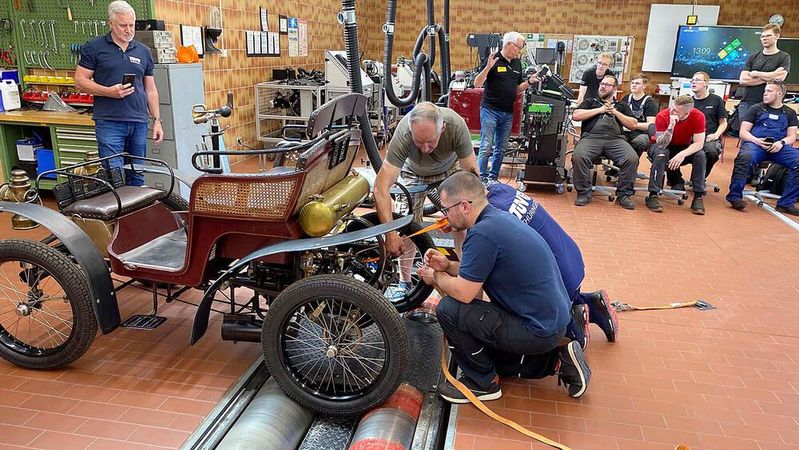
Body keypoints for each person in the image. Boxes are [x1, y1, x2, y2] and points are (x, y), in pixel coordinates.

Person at [420, 172, 591, 403]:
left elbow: (465, 292)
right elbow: (477, 269)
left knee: (449, 309)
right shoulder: (496, 219)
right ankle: (560, 360)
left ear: (464, 206)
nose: (445, 217)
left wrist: (435, 276)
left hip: (538, 329)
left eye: (447, 210)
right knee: (485, 353)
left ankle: (482, 384)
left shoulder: (481, 235)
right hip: (551, 321)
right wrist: (448, 265)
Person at [486, 182, 619, 347]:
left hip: (560, 281)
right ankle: (591, 303)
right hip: (572, 262)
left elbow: (476, 273)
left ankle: (571, 323)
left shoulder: (493, 217)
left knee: (493, 278)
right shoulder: (501, 190)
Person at [374, 102, 478, 293]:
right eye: (419, 142)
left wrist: (462, 215)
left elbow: (473, 179)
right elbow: (381, 187)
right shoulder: (404, 133)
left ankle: (465, 275)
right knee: (407, 227)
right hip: (413, 171)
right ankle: (405, 284)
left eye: (431, 141)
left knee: (462, 221)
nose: (424, 148)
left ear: (443, 128)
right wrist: (390, 234)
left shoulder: (455, 125)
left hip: (449, 171)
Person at [74, 0, 163, 186]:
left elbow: (151, 88)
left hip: (138, 121)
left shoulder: (143, 51)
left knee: (137, 175)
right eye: (123, 25)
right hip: (109, 122)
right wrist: (108, 92)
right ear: (110, 24)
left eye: (132, 25)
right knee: (113, 177)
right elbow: (80, 81)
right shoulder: (94, 47)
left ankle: (135, 215)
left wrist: (157, 121)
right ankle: (118, 214)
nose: (128, 30)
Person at [473, 31, 539, 184]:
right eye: (518, 47)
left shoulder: (517, 63)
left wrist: (529, 82)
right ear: (509, 44)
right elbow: (477, 84)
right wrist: (488, 68)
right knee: (486, 146)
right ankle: (480, 179)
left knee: (501, 147)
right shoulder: (493, 59)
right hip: (490, 110)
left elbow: (516, 89)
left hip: (507, 112)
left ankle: (493, 178)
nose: (519, 51)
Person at [727, 81, 799, 216]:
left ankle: (786, 203)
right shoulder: (756, 108)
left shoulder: (790, 113)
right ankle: (735, 197)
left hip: (778, 148)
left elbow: (792, 137)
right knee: (745, 157)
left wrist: (781, 143)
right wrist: (757, 141)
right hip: (755, 144)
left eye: (769, 91)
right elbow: (743, 132)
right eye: (765, 91)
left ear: (780, 93)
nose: (764, 93)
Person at [571, 74, 640, 210]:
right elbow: (576, 115)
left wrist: (615, 112)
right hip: (591, 138)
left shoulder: (622, 105)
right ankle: (584, 193)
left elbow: (633, 124)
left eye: (607, 85)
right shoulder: (591, 102)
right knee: (579, 156)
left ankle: (623, 196)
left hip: (615, 140)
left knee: (632, 158)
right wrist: (601, 110)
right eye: (602, 84)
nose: (602, 86)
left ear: (614, 89)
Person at [646, 95, 707, 215]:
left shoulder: (698, 116)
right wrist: (671, 127)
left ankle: (698, 196)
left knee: (700, 155)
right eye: (672, 108)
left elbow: (699, 143)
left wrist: (682, 154)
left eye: (676, 111)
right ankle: (653, 194)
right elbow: (661, 144)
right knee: (661, 154)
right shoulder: (663, 115)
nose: (672, 112)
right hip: (661, 145)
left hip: (683, 147)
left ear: (687, 112)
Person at [679, 71, 728, 182]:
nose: (693, 82)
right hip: (691, 137)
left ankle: (699, 179)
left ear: (706, 83)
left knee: (711, 152)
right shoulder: (689, 102)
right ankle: (676, 179)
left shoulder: (716, 100)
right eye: (692, 80)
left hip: (709, 137)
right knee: (671, 150)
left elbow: (723, 123)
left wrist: (716, 135)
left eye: (697, 80)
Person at [737, 24, 791, 123]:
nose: (764, 38)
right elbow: (743, 80)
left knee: (767, 134)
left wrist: (756, 73)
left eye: (768, 36)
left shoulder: (784, 57)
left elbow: (780, 78)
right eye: (762, 36)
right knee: (745, 135)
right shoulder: (753, 57)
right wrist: (771, 76)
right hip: (748, 103)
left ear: (777, 36)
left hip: (771, 104)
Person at [622, 73, 658, 156]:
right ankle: (617, 166)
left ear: (644, 86)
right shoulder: (626, 99)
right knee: (614, 139)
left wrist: (633, 125)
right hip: (626, 130)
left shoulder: (650, 102)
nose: (634, 85)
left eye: (637, 83)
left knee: (638, 143)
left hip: (642, 133)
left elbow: (651, 125)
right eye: (633, 83)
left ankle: (630, 166)